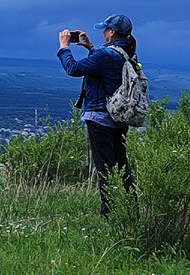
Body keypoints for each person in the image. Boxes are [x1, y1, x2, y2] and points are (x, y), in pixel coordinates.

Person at [57, 13, 137, 216]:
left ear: (111, 32)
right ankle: (131, 210)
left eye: (105, 29)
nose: (103, 32)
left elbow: (73, 69)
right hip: (118, 119)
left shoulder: (106, 55)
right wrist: (90, 48)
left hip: (100, 118)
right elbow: (106, 69)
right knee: (121, 167)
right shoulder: (124, 53)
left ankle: (109, 215)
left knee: (105, 169)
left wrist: (64, 46)